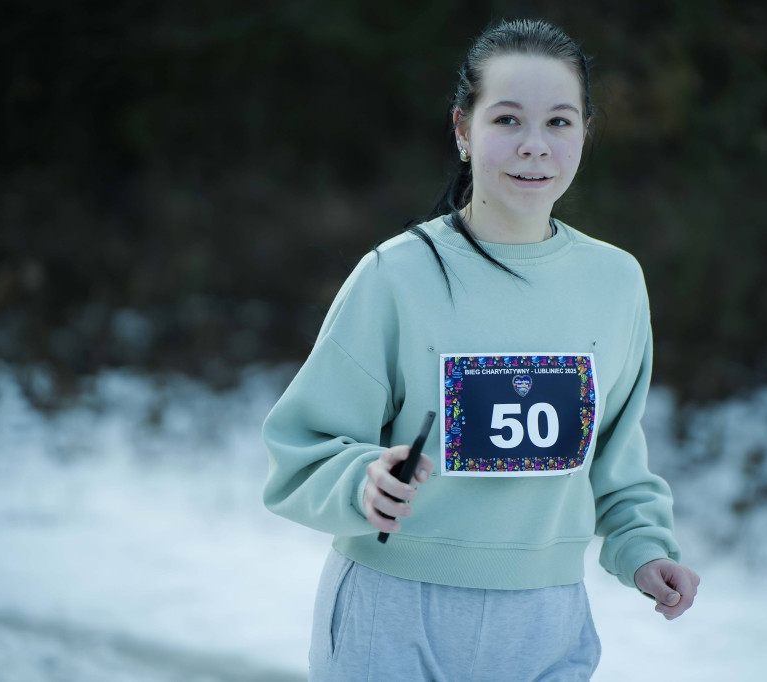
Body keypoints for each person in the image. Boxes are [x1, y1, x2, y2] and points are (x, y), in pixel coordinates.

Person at [262, 18, 699, 680]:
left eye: (558, 122)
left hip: (548, 622)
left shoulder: (615, 283)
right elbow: (302, 451)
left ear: (585, 132)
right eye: (507, 121)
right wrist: (363, 481)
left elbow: (614, 456)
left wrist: (643, 548)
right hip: (397, 617)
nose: (535, 146)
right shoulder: (395, 276)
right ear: (464, 130)